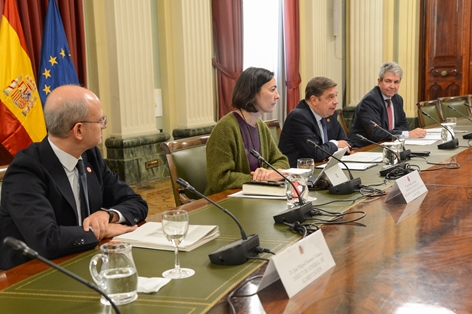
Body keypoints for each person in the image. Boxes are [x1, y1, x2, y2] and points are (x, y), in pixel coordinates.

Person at [0, 85, 148, 270]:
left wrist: (108, 215)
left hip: (83, 259)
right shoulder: (26, 170)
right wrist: (97, 232)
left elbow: (136, 202)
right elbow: (47, 240)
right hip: (32, 274)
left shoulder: (89, 156)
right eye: (100, 120)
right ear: (78, 130)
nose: (105, 125)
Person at [205, 67, 289, 195]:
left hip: (256, 197)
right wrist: (261, 178)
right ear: (253, 92)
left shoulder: (261, 126)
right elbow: (219, 180)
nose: (278, 96)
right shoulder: (225, 128)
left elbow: (282, 161)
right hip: (226, 203)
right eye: (272, 90)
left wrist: (268, 173)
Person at [348, 62, 426, 147]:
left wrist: (393, 134)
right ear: (379, 81)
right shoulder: (370, 101)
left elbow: (404, 125)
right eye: (388, 81)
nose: (392, 86)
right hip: (365, 148)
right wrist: (406, 134)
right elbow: (376, 133)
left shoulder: (397, 99)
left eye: (396, 82)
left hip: (389, 145)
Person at [278, 76, 351, 167]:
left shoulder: (330, 114)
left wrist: (335, 154)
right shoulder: (298, 117)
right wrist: (335, 144)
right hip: (298, 175)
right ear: (314, 100)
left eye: (336, 96)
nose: (336, 101)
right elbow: (316, 153)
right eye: (330, 97)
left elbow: (346, 143)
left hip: (322, 168)